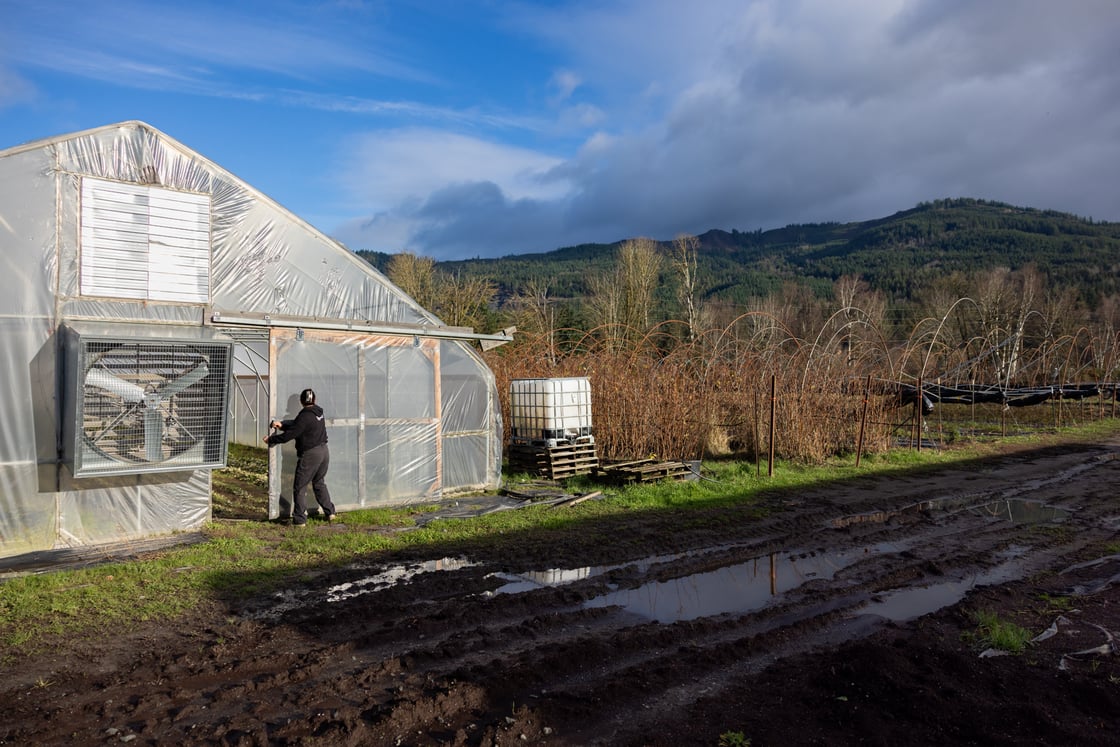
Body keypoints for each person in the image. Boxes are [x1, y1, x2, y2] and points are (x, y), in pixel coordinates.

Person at [264, 387, 336, 526]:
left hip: (310, 454)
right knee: (319, 482)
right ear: (314, 400)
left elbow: (291, 434)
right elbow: (299, 425)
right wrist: (283, 424)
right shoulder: (318, 413)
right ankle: (330, 512)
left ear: (302, 401)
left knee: (300, 486)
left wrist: (271, 440)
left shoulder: (305, 416)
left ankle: (300, 520)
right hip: (323, 451)